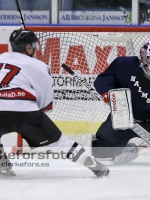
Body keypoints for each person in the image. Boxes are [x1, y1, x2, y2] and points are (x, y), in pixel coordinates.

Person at [0, 29, 109, 177]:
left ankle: (2, 164)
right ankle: (93, 165)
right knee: (60, 143)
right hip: (25, 111)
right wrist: (35, 118)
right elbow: (45, 102)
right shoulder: (38, 65)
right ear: (28, 48)